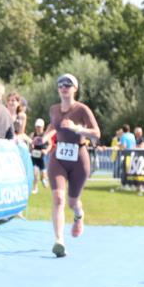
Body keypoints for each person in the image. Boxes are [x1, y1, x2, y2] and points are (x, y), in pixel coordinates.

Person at [41, 73, 100, 258]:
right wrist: (43, 137)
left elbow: (96, 133)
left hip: (79, 158)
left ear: (75, 88)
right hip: (58, 157)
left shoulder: (82, 109)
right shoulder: (54, 109)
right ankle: (59, 241)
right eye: (60, 84)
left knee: (72, 201)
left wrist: (77, 128)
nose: (64, 87)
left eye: (68, 84)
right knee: (58, 198)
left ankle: (79, 215)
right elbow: (53, 126)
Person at [30, 118, 50, 194]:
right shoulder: (32, 134)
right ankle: (35, 188)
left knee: (43, 175)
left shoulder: (45, 135)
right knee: (35, 173)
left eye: (40, 127)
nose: (38, 128)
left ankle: (44, 179)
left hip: (42, 157)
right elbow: (30, 143)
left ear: (43, 127)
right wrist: (31, 148)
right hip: (34, 156)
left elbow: (50, 144)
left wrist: (46, 150)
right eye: (37, 126)